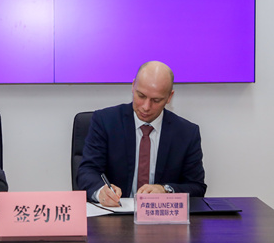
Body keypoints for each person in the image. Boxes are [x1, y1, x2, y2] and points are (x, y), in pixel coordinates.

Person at [77, 61, 206, 206]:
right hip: (115, 212)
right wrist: (101, 191)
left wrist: (166, 190)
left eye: (156, 100)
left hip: (161, 215)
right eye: (141, 96)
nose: (146, 107)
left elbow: (197, 187)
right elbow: (87, 171)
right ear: (133, 86)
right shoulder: (105, 121)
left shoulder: (187, 133)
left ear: (169, 97)